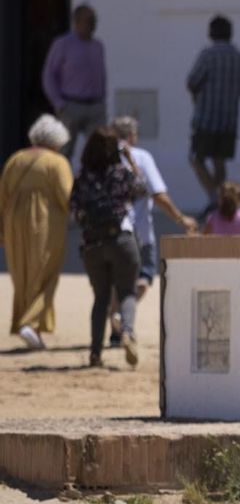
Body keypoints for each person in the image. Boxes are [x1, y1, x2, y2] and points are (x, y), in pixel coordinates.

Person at [109, 116, 198, 347]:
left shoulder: (102, 157)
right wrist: (181, 219)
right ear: (133, 136)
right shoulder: (141, 157)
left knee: (114, 280)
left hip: (107, 231)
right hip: (138, 232)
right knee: (145, 277)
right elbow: (157, 194)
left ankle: (114, 327)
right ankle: (122, 318)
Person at [68, 127, 149, 368]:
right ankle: (126, 332)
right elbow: (143, 189)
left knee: (100, 298)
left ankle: (95, 353)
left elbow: (74, 212)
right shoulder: (122, 173)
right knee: (126, 292)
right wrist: (132, 161)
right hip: (122, 239)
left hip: (93, 243)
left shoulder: (82, 177)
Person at [0, 115, 74, 351]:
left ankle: (29, 327)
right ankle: (29, 323)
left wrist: (2, 229)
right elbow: (67, 196)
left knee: (21, 276)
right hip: (45, 224)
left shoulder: (15, 159)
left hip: (13, 224)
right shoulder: (57, 162)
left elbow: (3, 197)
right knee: (45, 274)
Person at [186, 15, 240, 209]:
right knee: (219, 161)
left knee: (196, 158)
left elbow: (192, 81)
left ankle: (215, 198)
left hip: (206, 118)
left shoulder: (208, 54)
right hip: (229, 119)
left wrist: (196, 100)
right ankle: (222, 200)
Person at [41, 4, 107, 160]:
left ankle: (92, 183)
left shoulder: (98, 46)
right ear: (77, 21)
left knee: (98, 150)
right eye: (89, 20)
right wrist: (59, 103)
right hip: (71, 105)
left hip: (95, 107)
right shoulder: (62, 44)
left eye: (94, 21)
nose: (93, 25)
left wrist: (103, 100)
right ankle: (62, 183)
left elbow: (102, 75)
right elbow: (49, 75)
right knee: (64, 151)